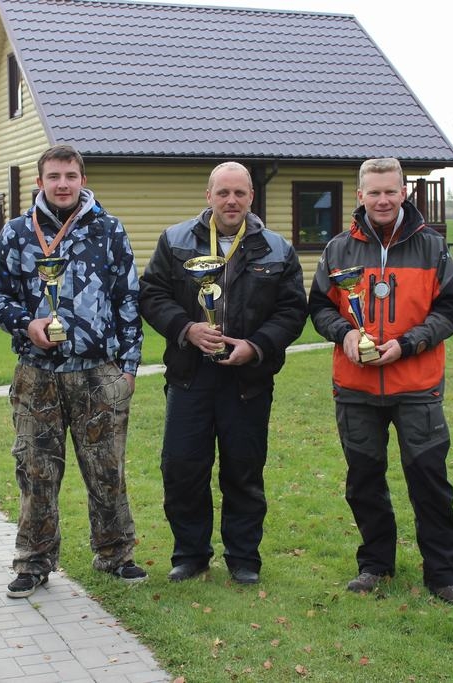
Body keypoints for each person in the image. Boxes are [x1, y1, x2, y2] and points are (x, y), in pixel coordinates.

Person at [307, 157, 453, 605]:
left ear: (404, 193)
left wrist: (410, 343)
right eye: (374, 192)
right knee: (364, 480)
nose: (382, 200)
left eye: (391, 191)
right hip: (356, 387)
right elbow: (319, 307)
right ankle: (375, 565)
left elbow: (450, 310)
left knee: (429, 480)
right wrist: (343, 335)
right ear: (360, 196)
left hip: (417, 385)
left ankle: (443, 575)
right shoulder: (338, 248)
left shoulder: (431, 247)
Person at [0, 144, 147, 598]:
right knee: (35, 471)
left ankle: (115, 554)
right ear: (40, 182)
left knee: (106, 469)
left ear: (82, 179)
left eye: (70, 176)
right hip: (37, 372)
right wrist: (26, 324)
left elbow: (129, 299)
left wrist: (128, 367)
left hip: (98, 370)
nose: (62, 184)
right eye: (53, 177)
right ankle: (33, 562)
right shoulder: (17, 233)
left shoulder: (109, 230)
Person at [139, 162, 307, 585]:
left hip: (247, 380)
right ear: (208, 195)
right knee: (182, 468)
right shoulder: (175, 240)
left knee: (244, 470)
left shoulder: (277, 249)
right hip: (189, 375)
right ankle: (191, 554)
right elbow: (152, 294)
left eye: (240, 193)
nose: (231, 201)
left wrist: (256, 346)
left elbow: (292, 311)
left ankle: (243, 557)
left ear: (252, 197)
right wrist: (186, 328)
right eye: (223, 193)